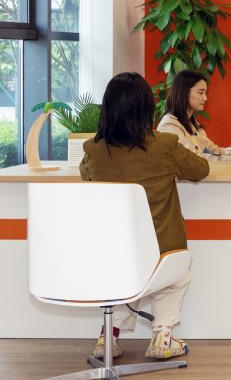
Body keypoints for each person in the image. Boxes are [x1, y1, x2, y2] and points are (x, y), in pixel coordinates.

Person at [79, 72, 210, 360]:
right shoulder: (164, 144)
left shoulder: (93, 149)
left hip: (113, 250)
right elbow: (200, 170)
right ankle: (163, 335)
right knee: (174, 274)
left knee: (122, 275)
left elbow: (85, 175)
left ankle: (108, 336)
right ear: (146, 109)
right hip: (163, 252)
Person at [157, 70, 231, 161]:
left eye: (205, 93)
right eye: (200, 93)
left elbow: (215, 151)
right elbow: (193, 159)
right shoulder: (169, 125)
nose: (205, 98)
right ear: (184, 92)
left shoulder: (192, 124)